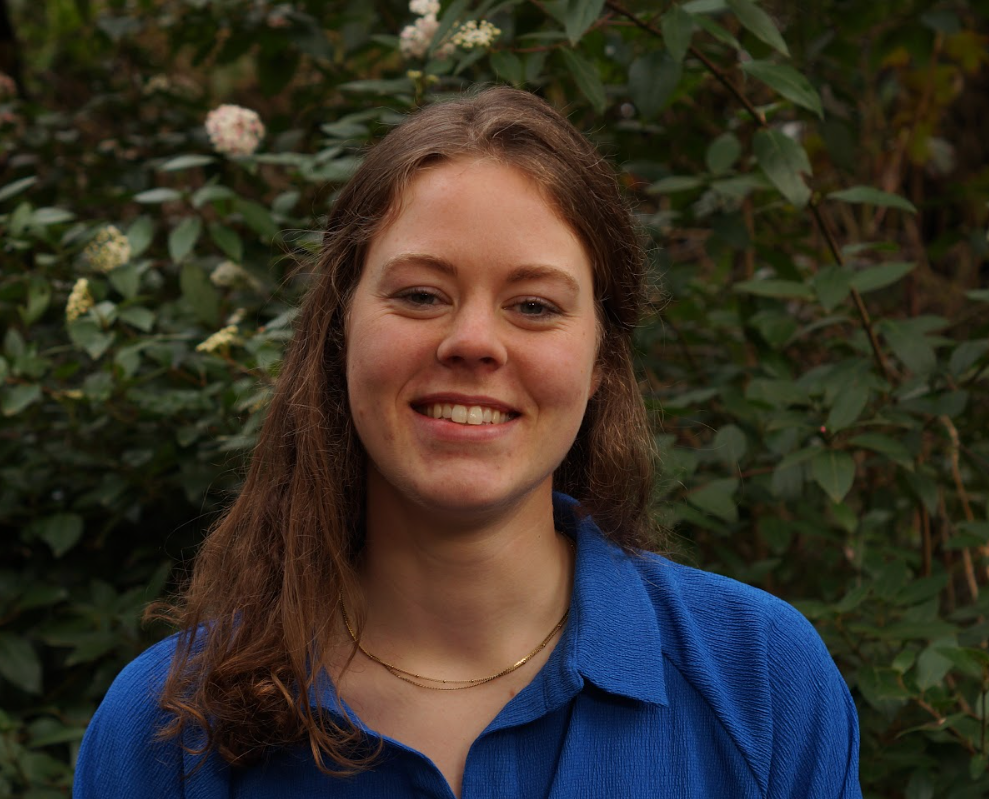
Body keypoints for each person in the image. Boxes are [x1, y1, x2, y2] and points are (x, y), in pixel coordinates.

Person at [75, 86, 861, 798]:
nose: (473, 341)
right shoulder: (168, 729)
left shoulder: (759, 682)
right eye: (421, 294)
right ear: (339, 331)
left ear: (601, 363)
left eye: (534, 305)